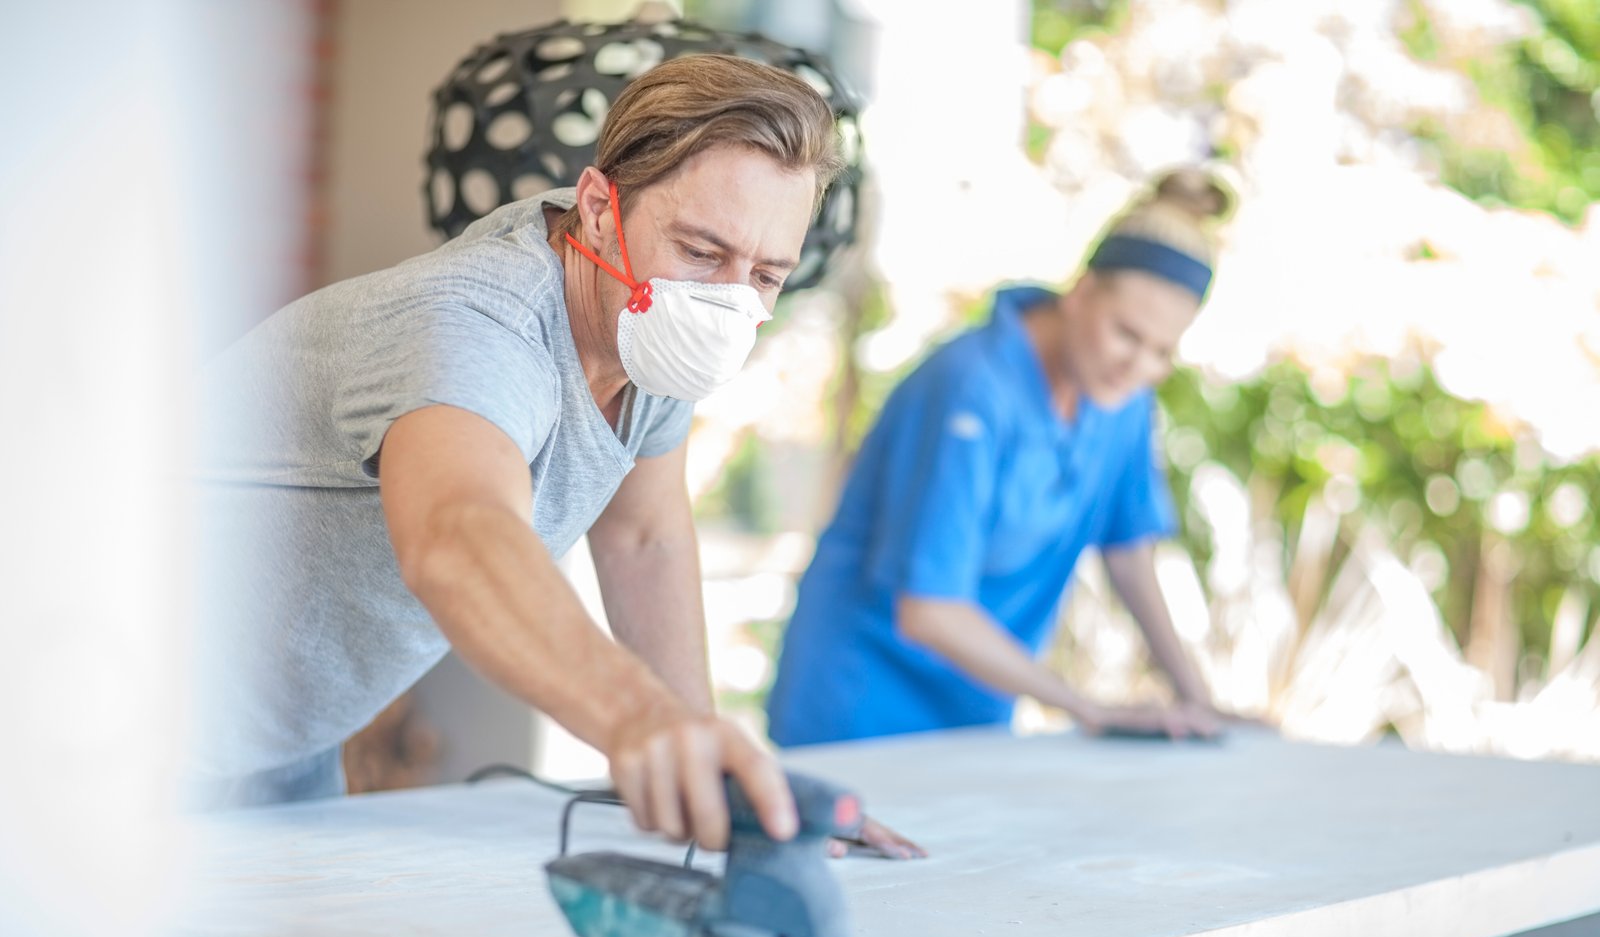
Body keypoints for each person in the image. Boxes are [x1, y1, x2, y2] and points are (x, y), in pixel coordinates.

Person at [193, 54, 913, 854]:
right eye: (703, 253)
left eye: (766, 275)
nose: (728, 302)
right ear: (600, 209)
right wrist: (638, 719)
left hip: (275, 748)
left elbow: (645, 538)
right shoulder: (475, 325)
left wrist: (720, 779)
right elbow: (457, 533)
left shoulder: (657, 329)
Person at [767, 170, 1243, 748]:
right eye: (1126, 335)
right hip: (859, 708)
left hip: (975, 713)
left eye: (1162, 351)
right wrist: (1087, 708)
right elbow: (929, 611)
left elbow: (1129, 556)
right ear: (1083, 292)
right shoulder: (970, 388)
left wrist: (1199, 704)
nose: (1138, 365)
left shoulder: (1122, 401)